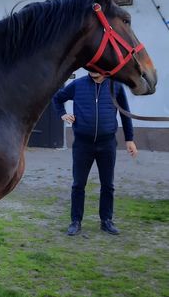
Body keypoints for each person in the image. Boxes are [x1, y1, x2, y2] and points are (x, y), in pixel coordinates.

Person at [52, 71, 138, 236]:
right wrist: (62, 114)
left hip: (107, 144)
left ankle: (106, 221)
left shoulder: (116, 86)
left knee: (108, 185)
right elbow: (57, 98)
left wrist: (130, 139)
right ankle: (75, 221)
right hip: (82, 144)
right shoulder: (78, 85)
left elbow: (125, 114)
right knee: (78, 185)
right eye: (90, 66)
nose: (93, 69)